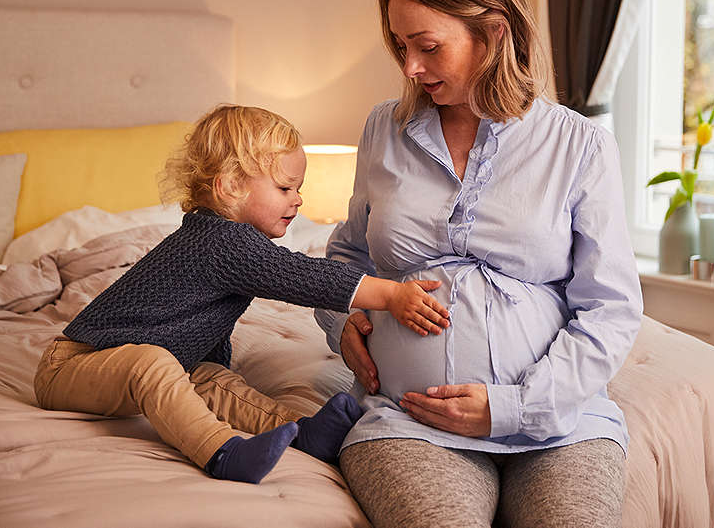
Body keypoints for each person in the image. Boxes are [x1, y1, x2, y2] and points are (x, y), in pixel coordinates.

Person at [313, 0, 644, 525]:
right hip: (409, 418)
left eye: (428, 46)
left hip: (559, 421)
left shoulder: (579, 145)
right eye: (400, 47)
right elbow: (347, 256)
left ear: (493, 31)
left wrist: (514, 406)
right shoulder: (382, 130)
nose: (411, 67)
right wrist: (339, 320)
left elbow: (611, 309)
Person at [32, 104, 451, 485]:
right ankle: (221, 452)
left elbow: (197, 321)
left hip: (139, 363)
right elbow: (305, 276)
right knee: (152, 361)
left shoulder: (230, 242)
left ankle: (299, 430)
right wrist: (392, 295)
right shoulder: (221, 241)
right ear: (231, 186)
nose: (299, 199)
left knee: (214, 380)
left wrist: (214, 365)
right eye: (285, 189)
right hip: (72, 367)